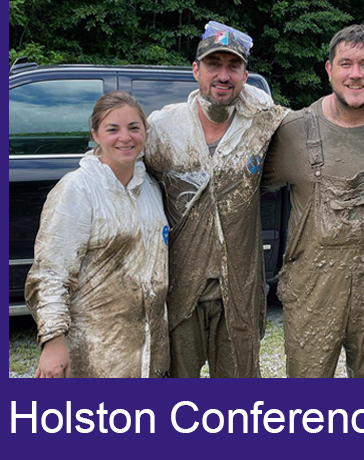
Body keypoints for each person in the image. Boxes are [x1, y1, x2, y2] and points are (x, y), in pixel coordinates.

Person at [263, 25, 364, 378]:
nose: (356, 74)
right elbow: (243, 194)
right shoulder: (293, 131)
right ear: (329, 69)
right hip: (312, 294)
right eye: (346, 64)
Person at [144, 22, 289, 378]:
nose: (223, 75)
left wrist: (255, 99)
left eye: (233, 66)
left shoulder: (261, 124)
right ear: (195, 70)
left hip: (238, 291)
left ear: (246, 74)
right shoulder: (163, 127)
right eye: (213, 65)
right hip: (180, 291)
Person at [26, 91, 170, 378]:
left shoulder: (151, 187)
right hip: (96, 353)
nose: (125, 138)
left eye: (133, 128)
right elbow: (50, 274)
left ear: (145, 131)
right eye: (112, 129)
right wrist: (53, 341)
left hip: (149, 350)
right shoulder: (77, 190)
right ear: (95, 135)